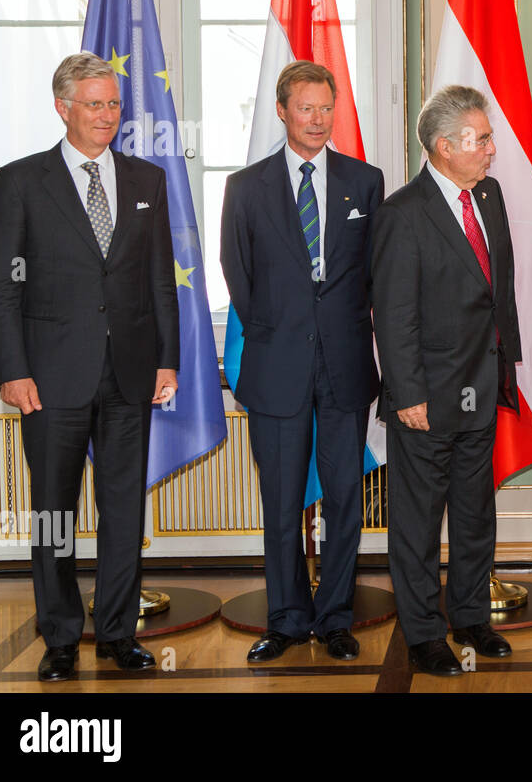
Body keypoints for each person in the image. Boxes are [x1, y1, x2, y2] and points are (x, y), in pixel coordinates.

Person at [0, 52, 179, 681]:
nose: (107, 115)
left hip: (129, 373)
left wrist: (167, 362)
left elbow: (160, 284)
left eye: (114, 103)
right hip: (50, 378)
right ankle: (61, 635)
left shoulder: (146, 180)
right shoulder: (19, 182)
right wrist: (12, 370)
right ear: (62, 107)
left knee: (124, 511)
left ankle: (119, 632)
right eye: (94, 104)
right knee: (54, 512)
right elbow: (2, 288)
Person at [220, 60, 383, 663]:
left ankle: (335, 616)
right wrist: (282, 328)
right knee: (283, 503)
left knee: (344, 497)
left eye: (326, 107)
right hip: (276, 365)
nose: (317, 119)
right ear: (283, 111)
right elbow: (239, 276)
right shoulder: (246, 188)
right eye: (305, 108)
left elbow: (372, 273)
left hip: (344, 365)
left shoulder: (365, 182)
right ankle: (287, 618)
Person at [371, 85, 521, 677]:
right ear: (442, 146)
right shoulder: (402, 214)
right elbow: (394, 312)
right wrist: (405, 394)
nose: (491, 148)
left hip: (482, 385)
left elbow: (496, 292)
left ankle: (470, 616)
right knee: (417, 520)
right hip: (426, 399)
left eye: (488, 137)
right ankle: (424, 632)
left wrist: (506, 362)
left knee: (474, 511)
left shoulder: (490, 194)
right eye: (480, 139)